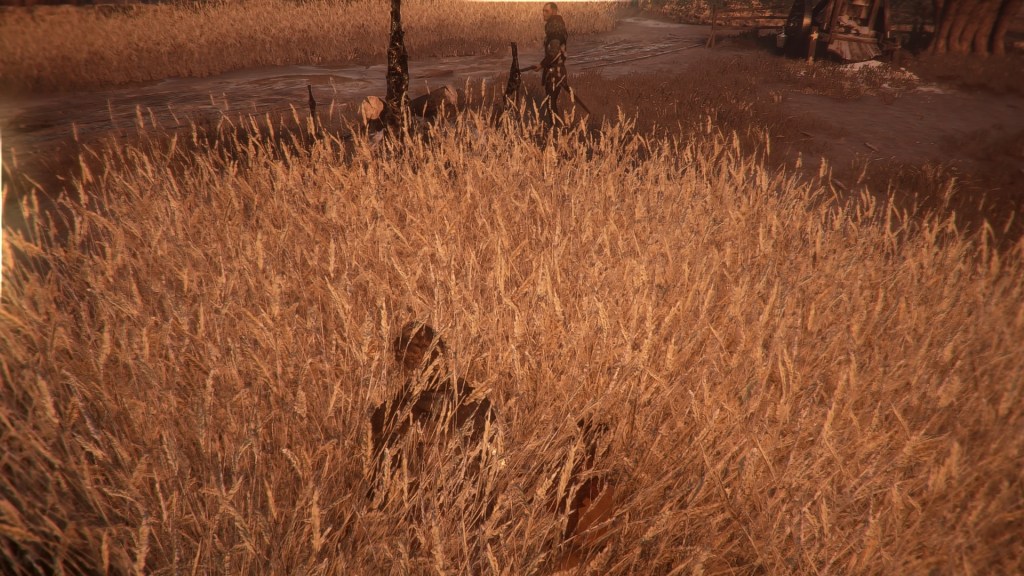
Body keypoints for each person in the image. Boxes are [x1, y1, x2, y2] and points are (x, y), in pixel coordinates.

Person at [525, 2, 569, 125]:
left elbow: (554, 52)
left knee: (550, 102)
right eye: (543, 11)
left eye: (546, 11)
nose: (543, 14)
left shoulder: (554, 28)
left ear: (554, 12)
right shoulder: (558, 26)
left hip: (555, 71)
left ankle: (557, 129)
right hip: (557, 70)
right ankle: (557, 128)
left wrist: (541, 65)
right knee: (551, 102)